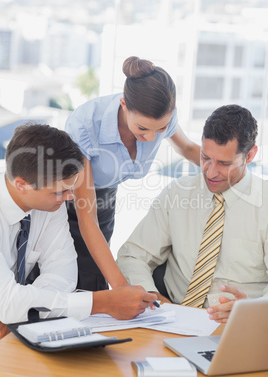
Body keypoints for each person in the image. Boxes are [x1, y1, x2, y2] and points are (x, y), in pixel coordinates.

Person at [0, 123, 157, 339]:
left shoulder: (51, 206)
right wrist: (101, 303)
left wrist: (22, 311)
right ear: (21, 184)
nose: (70, 197)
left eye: (70, 189)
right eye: (60, 192)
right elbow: (8, 301)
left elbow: (63, 277)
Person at [117, 104, 268, 323]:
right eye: (205, 157)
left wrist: (252, 311)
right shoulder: (177, 193)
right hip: (170, 318)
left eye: (224, 163)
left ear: (250, 154)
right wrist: (154, 299)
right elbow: (132, 256)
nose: (211, 171)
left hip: (240, 326)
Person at [65, 56, 200, 292]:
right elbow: (87, 218)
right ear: (124, 104)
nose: (151, 137)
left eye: (160, 129)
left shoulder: (162, 116)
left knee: (96, 279)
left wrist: (226, 169)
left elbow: (187, 148)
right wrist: (121, 288)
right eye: (143, 129)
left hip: (105, 196)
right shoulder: (86, 124)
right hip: (65, 200)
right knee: (72, 276)